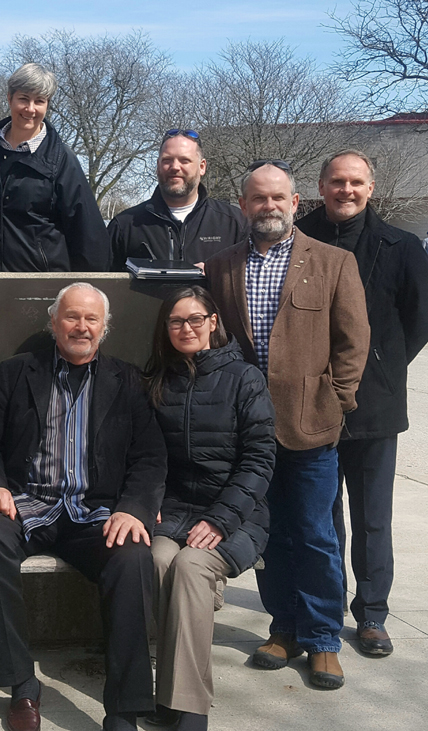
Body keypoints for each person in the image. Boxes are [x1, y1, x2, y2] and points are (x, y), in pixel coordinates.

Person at [0, 283, 166, 731]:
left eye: (92, 319)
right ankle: (22, 686)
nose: (82, 326)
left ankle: (124, 709)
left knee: (133, 559)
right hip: (27, 506)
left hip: (96, 514)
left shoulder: (127, 380)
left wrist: (134, 507)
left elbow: (150, 456)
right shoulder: (17, 373)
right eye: (72, 317)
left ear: (104, 328)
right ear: (53, 323)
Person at [204, 160, 369, 690]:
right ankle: (284, 628)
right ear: (244, 204)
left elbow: (352, 341)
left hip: (311, 425)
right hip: (248, 432)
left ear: (296, 203)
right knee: (269, 535)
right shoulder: (222, 265)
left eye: (278, 198)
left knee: (316, 534)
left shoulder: (334, 262)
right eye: (258, 198)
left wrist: (337, 399)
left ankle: (322, 638)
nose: (268, 206)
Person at [296, 149, 428, 657]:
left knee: (372, 517)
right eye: (336, 182)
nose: (345, 190)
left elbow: (420, 318)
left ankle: (372, 614)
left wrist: (382, 363)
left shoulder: (401, 245)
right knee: (318, 517)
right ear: (321, 186)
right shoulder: (299, 237)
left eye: (355, 182)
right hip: (309, 401)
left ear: (370, 188)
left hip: (374, 405)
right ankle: (323, 609)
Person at [143, 286, 275, 731]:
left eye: (195, 319)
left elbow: (259, 460)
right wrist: (150, 504)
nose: (186, 328)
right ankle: (168, 694)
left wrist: (220, 519)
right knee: (159, 559)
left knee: (191, 568)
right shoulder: (157, 379)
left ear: (213, 322)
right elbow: (145, 456)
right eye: (176, 321)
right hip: (174, 508)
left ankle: (190, 708)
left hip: (236, 512)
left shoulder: (244, 378)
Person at [0, 63, 109, 272]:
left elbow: (87, 233)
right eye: (23, 99)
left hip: (38, 284)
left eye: (39, 101)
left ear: (47, 105)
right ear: (9, 98)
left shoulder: (62, 160)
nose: (30, 109)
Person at [108, 129, 245, 270]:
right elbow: (105, 285)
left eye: (184, 160)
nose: (174, 167)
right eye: (167, 160)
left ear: (202, 167)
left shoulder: (235, 224)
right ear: (158, 166)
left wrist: (216, 275)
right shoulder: (124, 226)